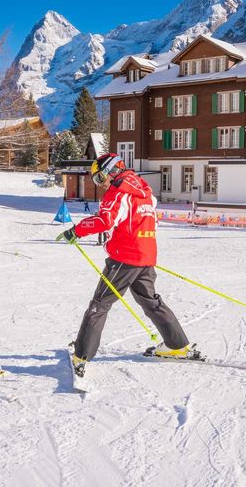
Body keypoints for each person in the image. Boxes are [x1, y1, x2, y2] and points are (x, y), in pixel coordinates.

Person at [57, 153, 198, 376]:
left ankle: (81, 355)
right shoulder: (145, 190)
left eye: (99, 177)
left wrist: (76, 230)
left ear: (112, 171)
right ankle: (177, 345)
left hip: (124, 257)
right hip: (145, 255)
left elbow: (105, 221)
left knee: (100, 303)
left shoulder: (118, 191)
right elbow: (153, 222)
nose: (100, 184)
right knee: (150, 301)